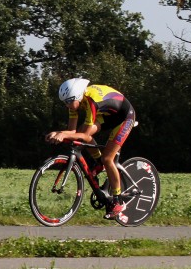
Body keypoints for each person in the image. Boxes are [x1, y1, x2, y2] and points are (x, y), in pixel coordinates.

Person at [45, 78, 135, 222]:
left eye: (68, 101)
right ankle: (99, 162)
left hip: (124, 117)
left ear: (77, 97)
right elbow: (72, 131)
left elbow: (85, 135)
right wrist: (59, 133)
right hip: (108, 115)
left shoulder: (92, 102)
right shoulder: (76, 103)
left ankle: (118, 201)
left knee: (107, 158)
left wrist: (63, 134)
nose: (66, 105)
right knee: (80, 134)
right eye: (64, 102)